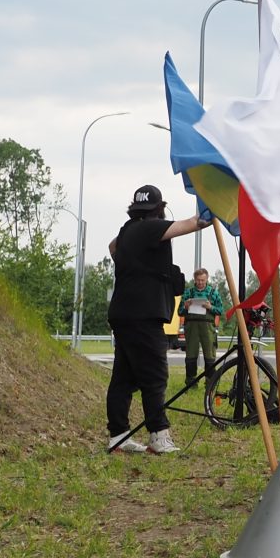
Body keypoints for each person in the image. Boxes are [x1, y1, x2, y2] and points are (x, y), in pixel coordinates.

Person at [106, 185, 202, 454]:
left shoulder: (128, 230)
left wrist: (135, 264)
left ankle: (118, 436)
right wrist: (217, 209)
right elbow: (194, 223)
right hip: (144, 314)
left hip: (123, 312)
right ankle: (159, 435)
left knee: (123, 377)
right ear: (159, 209)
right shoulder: (150, 227)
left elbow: (112, 247)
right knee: (155, 375)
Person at [178, 267, 227, 385]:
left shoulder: (213, 292)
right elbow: (179, 312)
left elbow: (221, 310)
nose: (200, 282)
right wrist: (185, 307)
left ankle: (210, 383)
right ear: (194, 279)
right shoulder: (188, 293)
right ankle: (191, 383)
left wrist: (211, 307)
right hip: (191, 327)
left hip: (208, 328)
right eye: (198, 280)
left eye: (202, 280)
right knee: (190, 356)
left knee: (210, 356)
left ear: (207, 279)